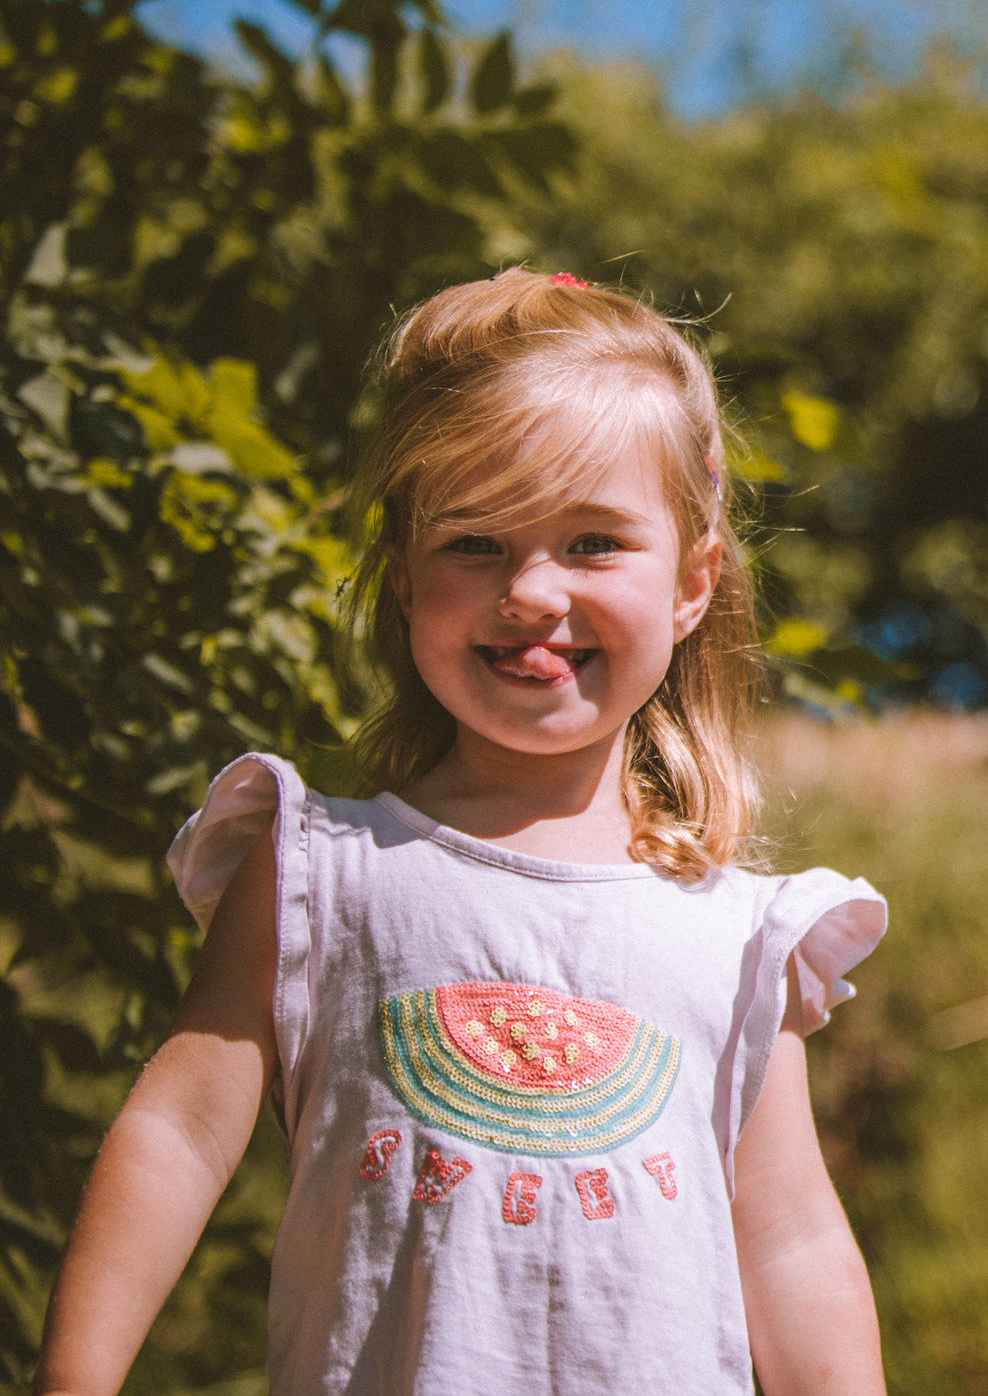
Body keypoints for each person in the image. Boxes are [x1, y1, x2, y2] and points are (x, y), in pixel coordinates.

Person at [36, 270, 889, 1395]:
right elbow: (180, 1133)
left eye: (593, 543)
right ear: (402, 575)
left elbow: (789, 1242)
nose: (533, 592)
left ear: (692, 584)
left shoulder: (739, 937)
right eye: (475, 542)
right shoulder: (314, 870)